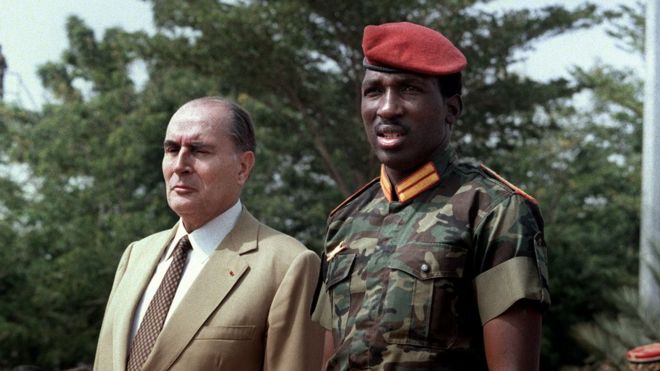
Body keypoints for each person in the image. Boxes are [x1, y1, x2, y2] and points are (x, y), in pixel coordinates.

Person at [311, 22, 550, 370]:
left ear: (451, 109)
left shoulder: (493, 211)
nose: (387, 108)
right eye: (374, 91)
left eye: (408, 89)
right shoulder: (345, 221)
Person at [94, 97, 324, 370]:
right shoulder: (135, 256)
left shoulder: (288, 265)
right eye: (171, 149)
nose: (180, 165)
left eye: (199, 150)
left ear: (243, 167)